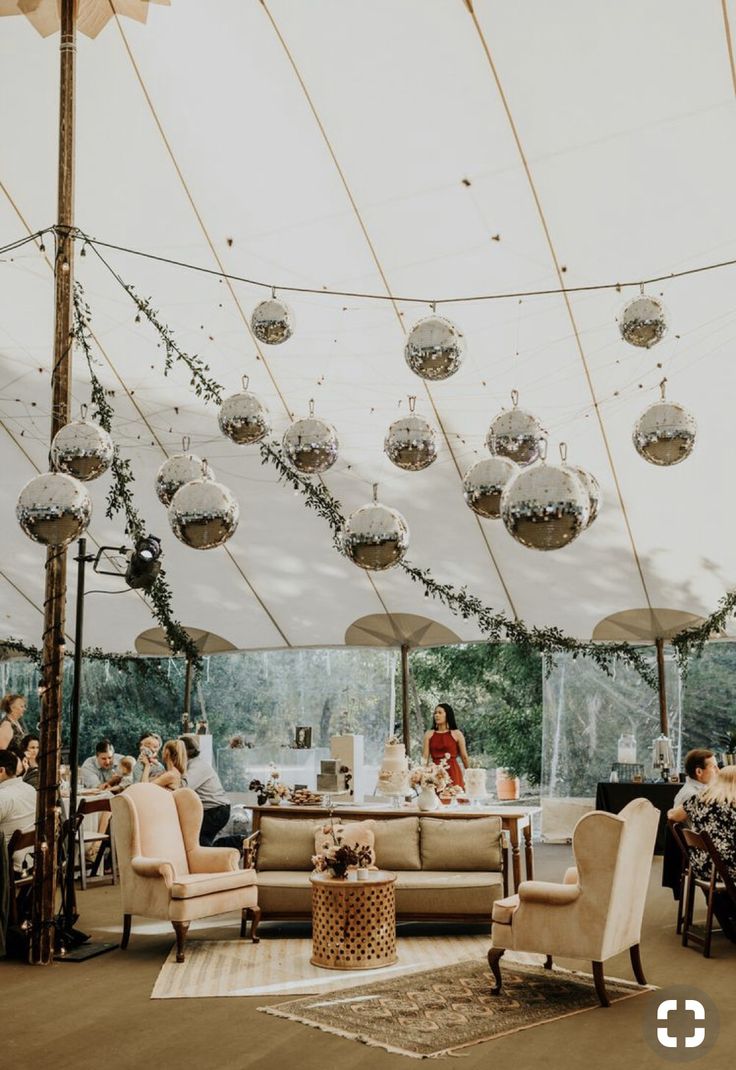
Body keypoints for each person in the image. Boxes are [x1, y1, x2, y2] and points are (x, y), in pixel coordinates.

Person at [669, 765, 736, 942]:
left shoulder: (698, 799)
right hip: (727, 869)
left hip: (702, 866)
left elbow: (673, 816)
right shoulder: (733, 805)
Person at [179, 734, 230, 845]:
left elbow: (183, 788)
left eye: (176, 751)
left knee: (197, 841)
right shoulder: (192, 764)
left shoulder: (197, 766)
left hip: (215, 810)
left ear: (184, 751)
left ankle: (235, 844)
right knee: (200, 842)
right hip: (214, 809)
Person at [0, 749, 36, 863]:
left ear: (1, 771)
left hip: (7, 866)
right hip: (32, 859)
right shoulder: (31, 789)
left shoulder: (3, 796)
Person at [422, 702, 469, 789]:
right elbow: (425, 758)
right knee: (435, 800)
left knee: (455, 797)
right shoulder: (429, 734)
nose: (436, 715)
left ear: (448, 715)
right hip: (435, 773)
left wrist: (471, 774)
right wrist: (423, 777)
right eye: (435, 713)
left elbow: (464, 757)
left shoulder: (457, 734)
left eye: (440, 713)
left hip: (453, 771)